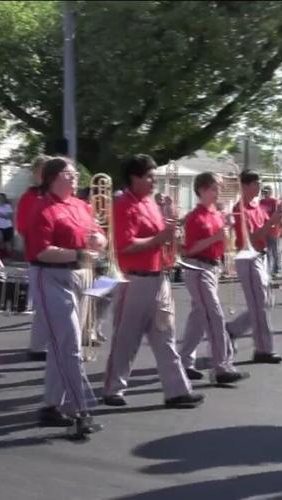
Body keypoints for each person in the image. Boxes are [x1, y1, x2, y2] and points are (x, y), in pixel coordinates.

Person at [102, 154, 205, 409]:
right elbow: (125, 245)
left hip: (159, 277)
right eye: (148, 176)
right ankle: (114, 388)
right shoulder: (122, 205)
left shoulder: (150, 203)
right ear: (134, 178)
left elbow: (161, 238)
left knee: (165, 337)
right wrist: (160, 238)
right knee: (126, 338)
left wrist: (172, 235)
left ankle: (177, 391)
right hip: (134, 280)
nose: (153, 181)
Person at [25, 156, 104, 437]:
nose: (75, 177)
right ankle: (80, 409)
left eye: (75, 173)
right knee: (69, 345)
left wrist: (99, 240)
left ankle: (50, 406)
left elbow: (98, 234)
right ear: (52, 178)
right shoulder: (42, 208)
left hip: (78, 276)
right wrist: (78, 253)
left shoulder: (81, 206)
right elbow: (40, 251)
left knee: (64, 345)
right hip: (50, 277)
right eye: (68, 173)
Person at [179, 172, 248, 385]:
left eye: (219, 188)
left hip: (212, 267)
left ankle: (184, 361)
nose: (219, 192)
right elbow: (189, 250)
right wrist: (216, 237)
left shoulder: (217, 214)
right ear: (202, 190)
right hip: (198, 267)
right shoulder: (194, 217)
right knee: (214, 316)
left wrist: (226, 239)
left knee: (199, 317)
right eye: (215, 188)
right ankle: (221, 366)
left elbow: (222, 243)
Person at [226, 170, 282, 364]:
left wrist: (278, 219)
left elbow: (268, 231)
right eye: (255, 183)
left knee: (266, 303)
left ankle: (232, 330)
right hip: (248, 257)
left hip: (261, 256)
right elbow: (251, 238)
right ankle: (263, 349)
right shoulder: (240, 209)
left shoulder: (257, 207)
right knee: (260, 305)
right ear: (244, 186)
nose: (259, 187)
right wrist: (272, 221)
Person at [17, 155, 50, 361]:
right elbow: (23, 228)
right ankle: (38, 347)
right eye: (43, 171)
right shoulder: (29, 198)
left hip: (63, 259)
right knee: (42, 305)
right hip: (40, 257)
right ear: (35, 174)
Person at [259, 186, 282, 277]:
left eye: (266, 192)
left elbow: (277, 214)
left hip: (273, 229)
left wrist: (274, 223)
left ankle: (277, 269)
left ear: (270, 192)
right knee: (266, 250)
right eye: (263, 192)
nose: (265, 194)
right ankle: (267, 269)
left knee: (275, 250)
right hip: (264, 229)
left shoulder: (274, 201)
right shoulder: (261, 202)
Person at [0, 193, 14, 258]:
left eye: (1, 197)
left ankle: (9, 257)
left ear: (4, 198)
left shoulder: (7, 206)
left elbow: (10, 216)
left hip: (7, 227)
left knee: (7, 243)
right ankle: (1, 256)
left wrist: (1, 215)